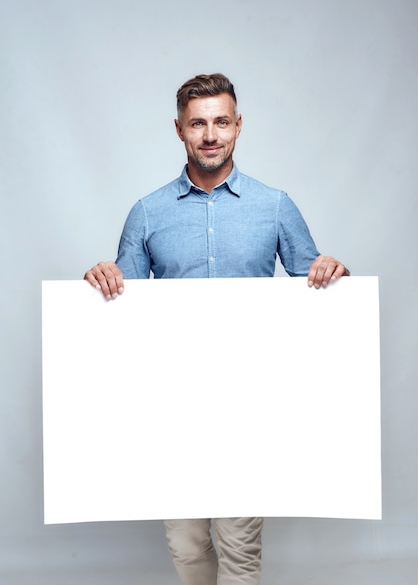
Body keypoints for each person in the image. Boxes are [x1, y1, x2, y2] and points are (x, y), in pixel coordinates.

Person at [84, 73, 350, 585]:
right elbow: (123, 312)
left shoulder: (275, 206)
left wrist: (331, 274)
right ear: (180, 129)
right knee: (185, 544)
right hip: (173, 402)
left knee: (239, 545)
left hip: (247, 402)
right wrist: (103, 278)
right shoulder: (147, 213)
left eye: (221, 122)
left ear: (238, 126)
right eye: (198, 123)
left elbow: (314, 294)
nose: (210, 135)